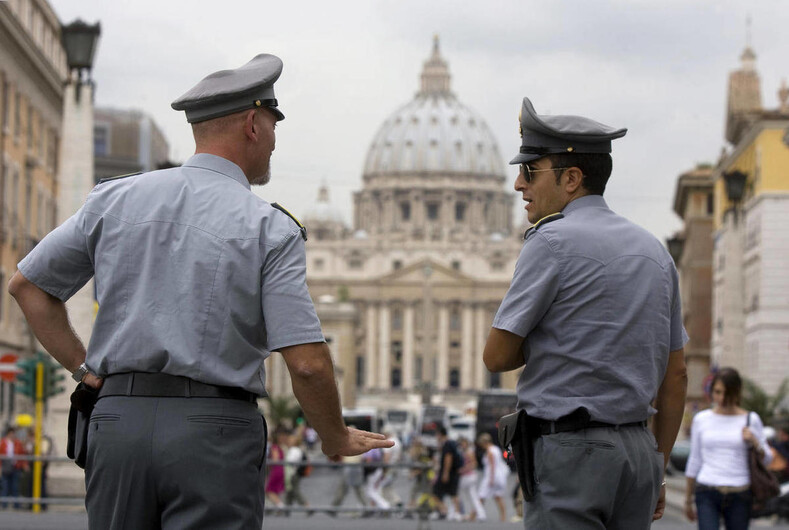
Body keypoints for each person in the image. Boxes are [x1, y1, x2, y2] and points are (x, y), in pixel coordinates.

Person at [7, 53, 392, 529]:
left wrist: (84, 371)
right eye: (273, 125)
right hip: (214, 432)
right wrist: (334, 437)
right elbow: (309, 364)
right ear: (253, 124)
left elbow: (28, 286)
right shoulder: (269, 227)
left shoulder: (113, 198)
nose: (274, 142)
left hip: (115, 423)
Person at [483, 97, 689, 529]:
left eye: (530, 171)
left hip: (571, 452)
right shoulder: (656, 252)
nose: (519, 185)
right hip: (638, 454)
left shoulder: (549, 242)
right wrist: (658, 465)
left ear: (571, 178)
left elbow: (496, 357)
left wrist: (549, 335)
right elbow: (676, 378)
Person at [684, 368, 773, 529]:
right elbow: (695, 459)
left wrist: (754, 441)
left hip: (740, 492)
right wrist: (688, 499)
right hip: (707, 491)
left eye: (728, 393)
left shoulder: (751, 419)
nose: (722, 398)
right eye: (718, 392)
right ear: (711, 391)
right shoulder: (701, 419)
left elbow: (767, 459)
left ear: (737, 392)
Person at [476, 432, 508, 522]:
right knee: (498, 496)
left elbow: (492, 466)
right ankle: (503, 517)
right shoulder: (496, 449)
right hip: (500, 476)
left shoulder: (490, 451)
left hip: (491, 476)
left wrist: (491, 479)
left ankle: (474, 515)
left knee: (481, 496)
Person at [432, 426, 462, 521]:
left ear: (440, 434)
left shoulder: (447, 444)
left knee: (435, 492)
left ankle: (444, 510)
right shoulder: (452, 443)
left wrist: (445, 473)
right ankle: (456, 513)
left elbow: (448, 459)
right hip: (454, 472)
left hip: (448, 472)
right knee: (453, 493)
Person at [457, 436, 484, 522]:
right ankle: (479, 514)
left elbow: (474, 464)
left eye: (464, 444)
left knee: (459, 494)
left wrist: (463, 469)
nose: (462, 445)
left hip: (469, 476)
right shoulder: (463, 452)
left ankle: (460, 513)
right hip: (466, 476)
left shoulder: (469, 452)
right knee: (471, 496)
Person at [284, 431, 312, 515]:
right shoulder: (296, 449)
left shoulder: (294, 450)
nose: (288, 441)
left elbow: (290, 461)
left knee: (295, 491)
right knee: (290, 492)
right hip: (294, 473)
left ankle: (307, 506)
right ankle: (286, 509)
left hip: (293, 474)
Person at [0, 427, 26, 509]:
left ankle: (16, 505)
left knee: (15, 487)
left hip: (15, 466)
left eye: (13, 434)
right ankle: (4, 504)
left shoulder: (17, 442)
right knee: (5, 486)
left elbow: (22, 453)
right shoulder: (3, 442)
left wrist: (24, 465)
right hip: (6, 466)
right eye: (10, 434)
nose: (12, 435)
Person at [265, 428, 288, 513]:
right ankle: (278, 508)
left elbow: (275, 459)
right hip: (281, 469)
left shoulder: (274, 447)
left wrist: (268, 462)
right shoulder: (280, 447)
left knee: (269, 490)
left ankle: (281, 506)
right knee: (275, 490)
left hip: (276, 470)